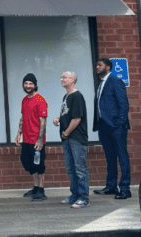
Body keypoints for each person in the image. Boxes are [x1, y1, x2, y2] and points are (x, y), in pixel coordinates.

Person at [92, 58, 132, 200]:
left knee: (122, 156)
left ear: (108, 67)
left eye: (100, 65)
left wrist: (119, 122)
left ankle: (125, 188)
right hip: (103, 126)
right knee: (110, 157)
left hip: (116, 126)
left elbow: (123, 103)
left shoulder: (115, 81)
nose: (97, 67)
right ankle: (111, 186)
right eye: (97, 65)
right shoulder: (101, 83)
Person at [52, 71, 89, 208]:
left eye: (65, 77)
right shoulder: (66, 96)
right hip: (67, 139)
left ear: (72, 79)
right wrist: (58, 119)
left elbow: (77, 118)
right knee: (71, 168)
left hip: (76, 138)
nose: (62, 79)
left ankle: (83, 198)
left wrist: (66, 132)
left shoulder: (77, 96)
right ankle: (74, 195)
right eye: (61, 77)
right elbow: (68, 114)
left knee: (80, 169)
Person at [14, 73, 49, 201]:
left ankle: (41, 190)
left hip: (36, 141)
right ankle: (35, 187)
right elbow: (23, 118)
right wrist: (18, 134)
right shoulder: (25, 100)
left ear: (35, 85)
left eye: (31, 84)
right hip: (26, 139)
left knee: (39, 165)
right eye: (26, 83)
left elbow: (43, 121)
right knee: (27, 162)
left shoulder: (40, 100)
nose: (28, 86)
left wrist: (40, 140)